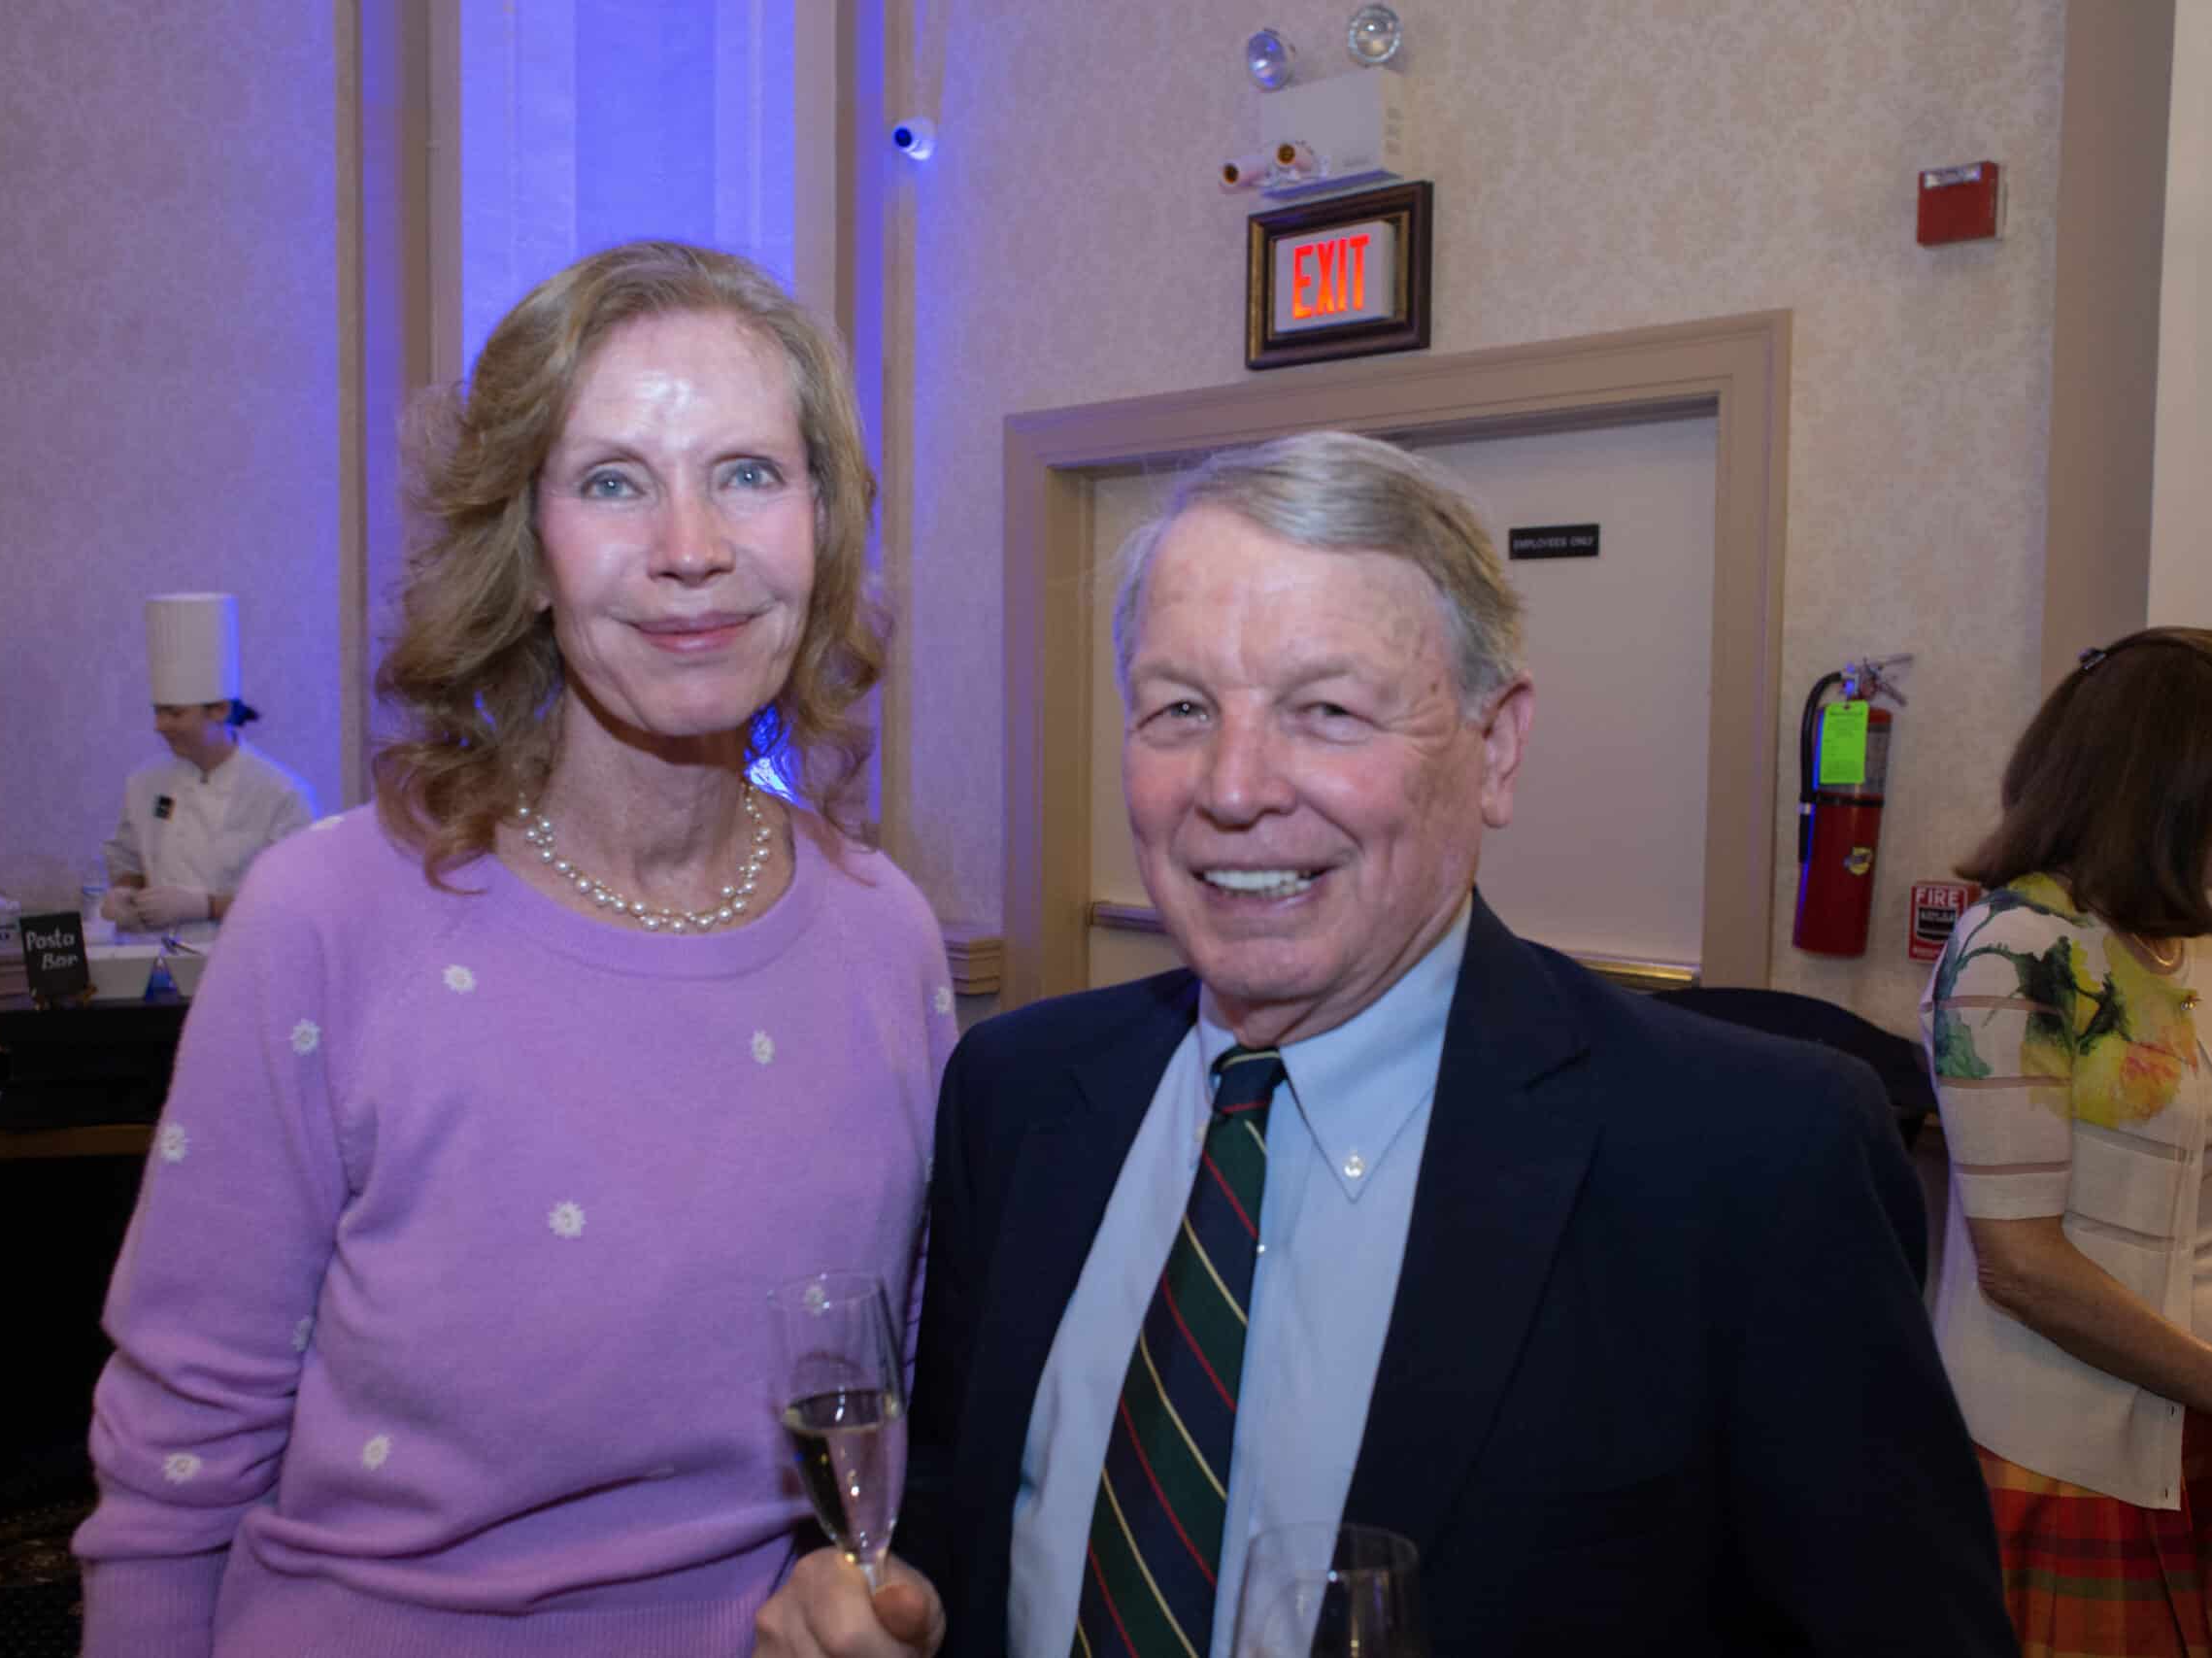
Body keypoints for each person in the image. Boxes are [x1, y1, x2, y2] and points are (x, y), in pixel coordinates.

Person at [755, 430, 2016, 1657]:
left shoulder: (1752, 1164)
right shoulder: (1018, 1094)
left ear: (1497, 748)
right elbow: (965, 1511)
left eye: (1327, 710)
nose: (1235, 785)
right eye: (1181, 706)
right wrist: (875, 1596)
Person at [72, 242, 955, 1656]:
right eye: (613, 478)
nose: (691, 544)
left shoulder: (884, 936)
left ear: (822, 528)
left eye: (748, 471)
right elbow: (176, 1468)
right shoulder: (325, 918)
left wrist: (871, 1587)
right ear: (525, 553)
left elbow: (895, 1408)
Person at [1922, 627, 2212, 1656]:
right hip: (2063, 1460)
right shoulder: (2013, 953)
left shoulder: (2197, 944)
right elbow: (2019, 1266)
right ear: (2203, 769)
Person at [99, 592, 318, 939]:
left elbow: (296, 898)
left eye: (175, 714)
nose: (160, 726)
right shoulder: (144, 783)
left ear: (220, 712)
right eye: (158, 711)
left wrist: (206, 906)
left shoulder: (281, 794)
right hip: (156, 966)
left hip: (244, 962)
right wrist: (126, 891)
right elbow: (127, 857)